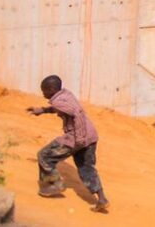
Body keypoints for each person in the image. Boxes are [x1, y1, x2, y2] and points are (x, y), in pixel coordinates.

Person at [28, 75, 109, 212]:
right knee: (86, 168)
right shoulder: (66, 94)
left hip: (77, 137)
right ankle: (102, 199)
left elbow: (76, 114)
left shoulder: (58, 102)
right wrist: (43, 110)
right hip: (91, 136)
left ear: (52, 89)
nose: (43, 94)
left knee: (44, 155)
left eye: (44, 91)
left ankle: (54, 184)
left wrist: (79, 140)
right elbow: (65, 108)